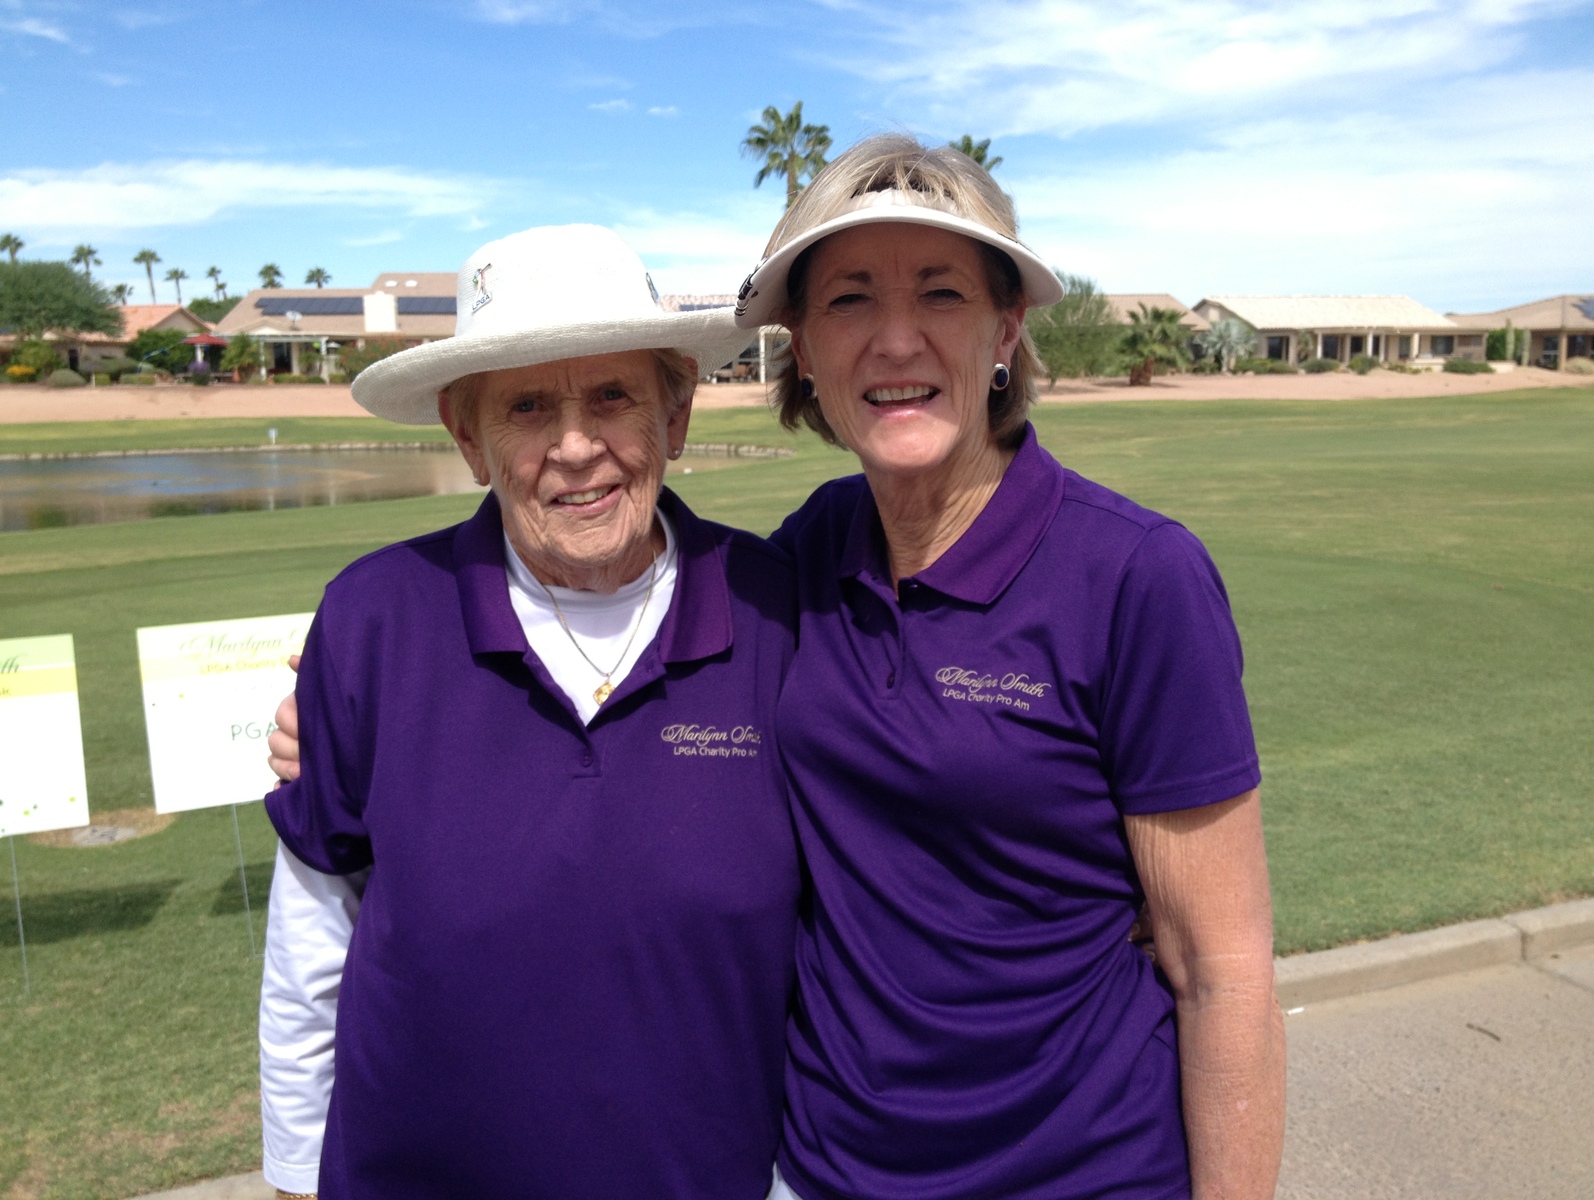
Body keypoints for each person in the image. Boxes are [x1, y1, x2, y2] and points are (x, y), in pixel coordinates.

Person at [734, 135, 1285, 1200]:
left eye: (940, 292)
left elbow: (1218, 968)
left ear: (1006, 329)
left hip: (1076, 1172)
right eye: (849, 301)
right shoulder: (812, 544)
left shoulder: (1136, 575)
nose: (896, 339)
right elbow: (641, 659)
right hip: (824, 1172)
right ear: (801, 347)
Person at [258, 223, 799, 1200]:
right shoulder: (375, 616)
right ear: (470, 440)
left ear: (674, 417)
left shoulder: (775, 607)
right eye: (526, 406)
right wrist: (297, 1175)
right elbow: (312, 932)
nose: (576, 446)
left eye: (612, 397)